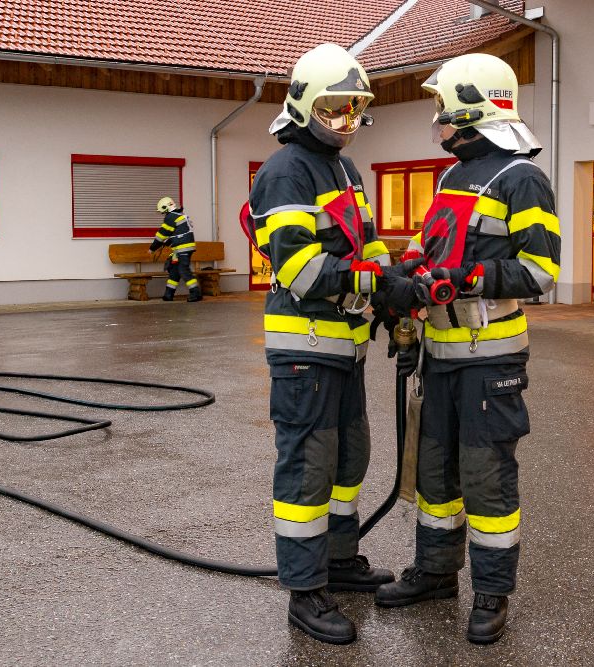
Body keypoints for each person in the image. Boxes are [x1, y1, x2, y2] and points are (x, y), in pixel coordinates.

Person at [373, 53, 561, 644]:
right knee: (435, 476)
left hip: (490, 360)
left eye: (443, 107)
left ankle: (491, 592)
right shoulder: (453, 176)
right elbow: (434, 246)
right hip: (441, 354)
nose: (438, 119)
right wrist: (405, 272)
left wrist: (469, 278)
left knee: (485, 478)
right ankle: (435, 573)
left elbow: (541, 271)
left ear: (474, 108)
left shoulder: (522, 178)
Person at [248, 43, 414, 645]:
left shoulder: (345, 170)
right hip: (306, 349)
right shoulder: (286, 171)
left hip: (345, 347)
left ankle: (340, 560)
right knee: (308, 470)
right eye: (334, 109)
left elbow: (365, 245)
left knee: (349, 460)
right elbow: (302, 270)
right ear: (303, 105)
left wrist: (396, 282)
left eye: (354, 110)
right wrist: (379, 285)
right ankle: (305, 590)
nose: (346, 122)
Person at [150, 197, 202, 302]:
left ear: (166, 208)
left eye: (163, 212)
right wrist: (169, 241)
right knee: (174, 270)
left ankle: (196, 293)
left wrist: (152, 248)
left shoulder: (170, 217)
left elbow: (161, 235)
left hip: (183, 248)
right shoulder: (179, 215)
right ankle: (168, 294)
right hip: (182, 248)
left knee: (183, 269)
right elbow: (179, 232)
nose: (164, 214)